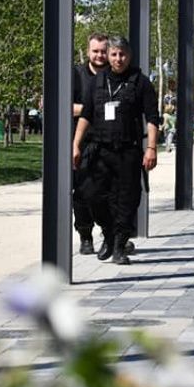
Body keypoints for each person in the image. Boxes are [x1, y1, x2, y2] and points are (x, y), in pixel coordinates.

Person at [73, 36, 160, 265]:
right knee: (91, 194)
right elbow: (86, 115)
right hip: (100, 150)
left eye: (122, 54)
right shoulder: (98, 81)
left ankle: (120, 246)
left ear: (128, 56)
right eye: (114, 54)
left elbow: (152, 118)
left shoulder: (139, 82)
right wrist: (76, 144)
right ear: (109, 56)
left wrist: (151, 148)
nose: (118, 58)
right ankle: (109, 232)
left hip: (128, 151)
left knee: (126, 200)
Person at [71, 33, 109, 256]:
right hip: (82, 142)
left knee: (110, 192)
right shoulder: (76, 75)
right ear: (88, 52)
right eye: (95, 51)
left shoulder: (115, 75)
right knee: (83, 191)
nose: (99, 55)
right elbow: (62, 104)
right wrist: (93, 109)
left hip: (109, 142)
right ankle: (85, 235)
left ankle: (111, 234)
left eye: (103, 51)